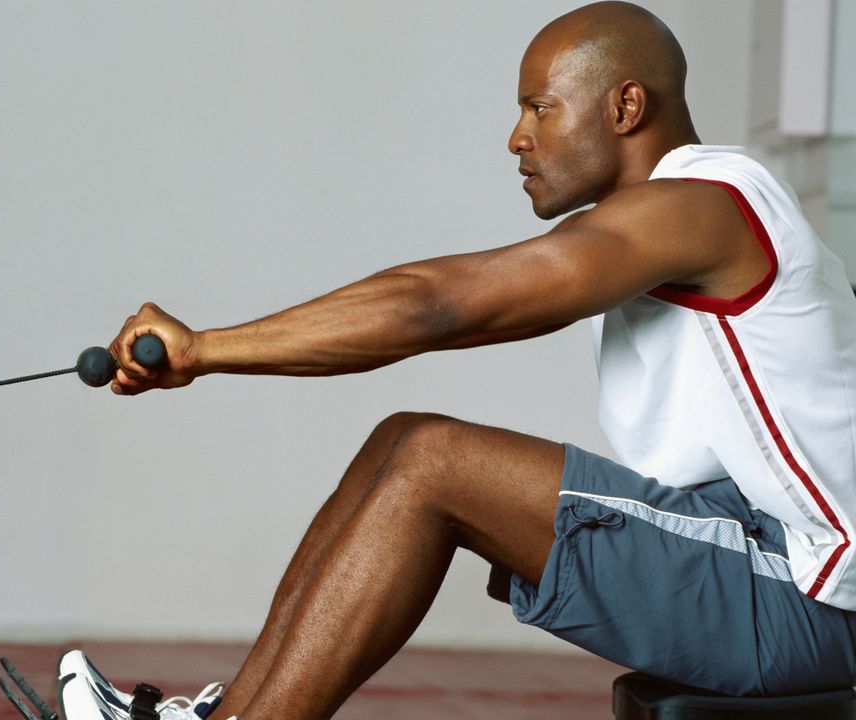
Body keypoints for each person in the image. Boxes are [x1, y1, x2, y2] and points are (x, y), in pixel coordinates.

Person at [58, 3, 856, 719]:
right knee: (404, 443)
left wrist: (205, 350)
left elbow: (442, 304)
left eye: (540, 108)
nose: (518, 137)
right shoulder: (675, 217)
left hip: (811, 600)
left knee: (433, 462)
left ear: (625, 105)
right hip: (756, 555)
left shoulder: (704, 205)